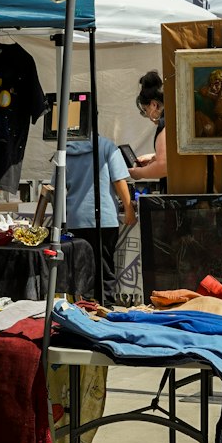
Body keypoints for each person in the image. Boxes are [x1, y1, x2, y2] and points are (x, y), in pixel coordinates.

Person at [65, 135, 135, 303]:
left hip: (75, 218)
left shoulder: (65, 151)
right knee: (104, 266)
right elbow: (119, 180)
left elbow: (58, 185)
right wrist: (128, 209)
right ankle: (105, 306)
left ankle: (83, 306)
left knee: (81, 267)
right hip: (104, 218)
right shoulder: (106, 146)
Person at [128, 70, 166, 189]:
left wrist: (138, 173)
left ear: (154, 105)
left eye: (145, 110)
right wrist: (153, 157)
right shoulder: (174, 119)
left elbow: (163, 166)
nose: (147, 115)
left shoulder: (165, 126)